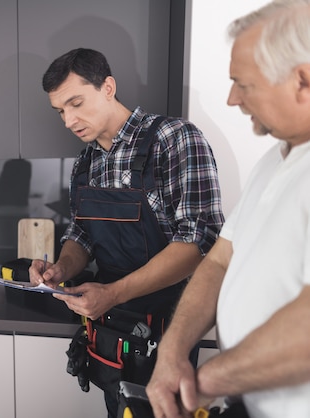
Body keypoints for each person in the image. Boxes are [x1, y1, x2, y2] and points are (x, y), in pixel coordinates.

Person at [29, 48, 225, 417]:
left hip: (168, 327)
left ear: (108, 87)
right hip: (112, 327)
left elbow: (201, 242)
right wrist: (62, 269)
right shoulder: (86, 162)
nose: (69, 120)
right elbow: (82, 235)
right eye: (60, 111)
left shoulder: (173, 138)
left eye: (76, 103)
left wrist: (113, 292)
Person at [146, 2, 310, 417]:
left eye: (244, 84)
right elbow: (220, 259)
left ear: (303, 81)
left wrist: (203, 383)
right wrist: (173, 351)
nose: (231, 98)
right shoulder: (276, 159)